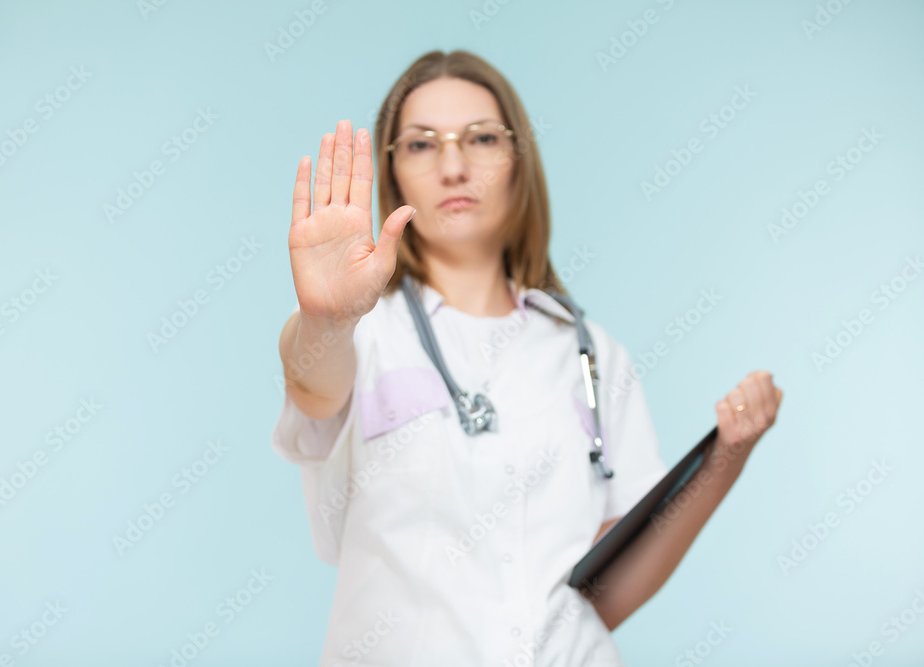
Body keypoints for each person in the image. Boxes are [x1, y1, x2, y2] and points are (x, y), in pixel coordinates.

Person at [272, 50, 783, 666]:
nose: (454, 166)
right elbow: (313, 384)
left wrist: (726, 457)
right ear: (392, 172)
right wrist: (326, 322)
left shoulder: (590, 355)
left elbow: (603, 592)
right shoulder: (365, 335)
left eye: (482, 138)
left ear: (518, 161)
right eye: (421, 144)